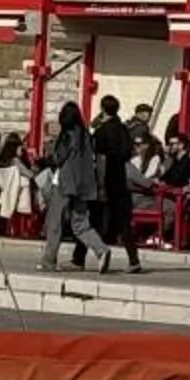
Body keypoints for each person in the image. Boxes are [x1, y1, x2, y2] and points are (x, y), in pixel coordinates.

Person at [39, 101, 113, 272]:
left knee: (55, 222)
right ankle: (101, 249)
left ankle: (48, 260)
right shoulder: (86, 136)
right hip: (85, 184)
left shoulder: (66, 135)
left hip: (65, 182)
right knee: (80, 223)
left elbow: (58, 158)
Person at [92, 94, 135, 246]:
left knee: (99, 214)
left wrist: (101, 184)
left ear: (103, 109)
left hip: (106, 175)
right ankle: (131, 252)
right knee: (122, 218)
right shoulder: (123, 130)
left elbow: (101, 158)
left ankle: (85, 251)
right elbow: (128, 153)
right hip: (120, 176)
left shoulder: (101, 131)